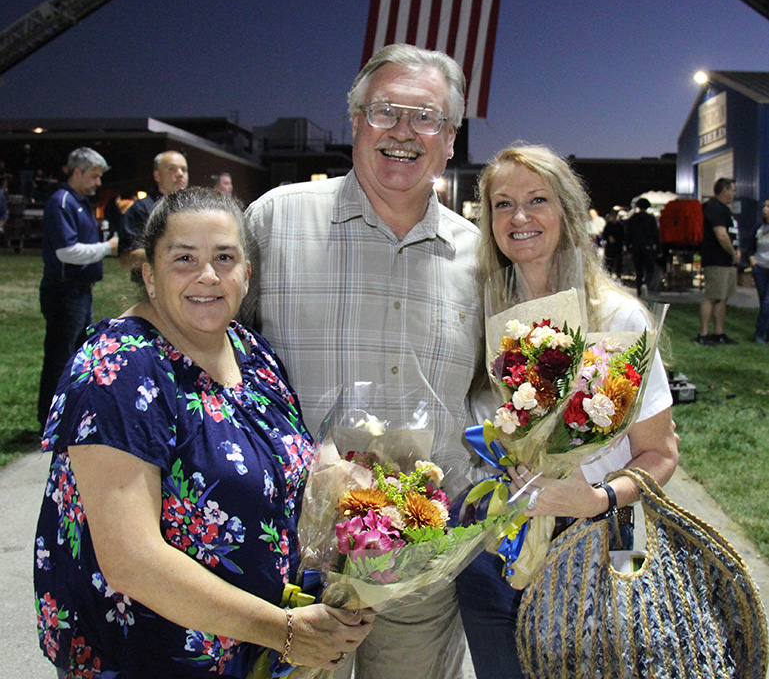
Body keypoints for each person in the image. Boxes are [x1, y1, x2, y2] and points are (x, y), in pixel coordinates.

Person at [34, 187, 374, 679]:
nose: (208, 275)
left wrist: (363, 499)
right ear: (149, 275)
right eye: (184, 258)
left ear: (247, 274)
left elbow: (295, 457)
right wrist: (283, 631)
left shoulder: (252, 353)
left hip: (253, 650)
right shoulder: (119, 368)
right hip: (152, 660)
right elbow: (131, 560)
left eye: (224, 257)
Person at [240, 43, 485, 679]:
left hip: (423, 564)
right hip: (293, 552)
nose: (404, 132)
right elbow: (213, 356)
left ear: (450, 138)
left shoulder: (480, 256)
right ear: (354, 121)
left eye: (426, 117)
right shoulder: (274, 221)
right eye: (385, 111)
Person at [456, 144, 679, 679]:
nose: (520, 217)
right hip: (498, 559)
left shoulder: (616, 319)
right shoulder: (486, 317)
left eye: (538, 200)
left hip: (604, 549)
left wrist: (596, 499)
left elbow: (660, 455)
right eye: (503, 204)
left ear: (568, 213)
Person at [37, 147, 118, 434]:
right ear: (76, 172)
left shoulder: (78, 202)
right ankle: (49, 420)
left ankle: (68, 414)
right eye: (94, 176)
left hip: (80, 292)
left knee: (76, 357)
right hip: (64, 292)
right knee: (60, 357)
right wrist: (106, 248)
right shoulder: (62, 202)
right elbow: (66, 251)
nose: (98, 183)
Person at [119, 150, 188, 271]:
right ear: (157, 176)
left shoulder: (194, 208)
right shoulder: (142, 208)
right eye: (172, 169)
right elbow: (127, 258)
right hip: (152, 286)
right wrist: (174, 255)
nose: (180, 174)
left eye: (184, 169)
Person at [697, 177, 740, 345]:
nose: (734, 194)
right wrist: (732, 252)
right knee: (712, 296)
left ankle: (719, 333)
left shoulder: (724, 210)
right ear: (724, 191)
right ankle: (703, 334)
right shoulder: (714, 208)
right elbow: (721, 234)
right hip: (716, 259)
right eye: (732, 190)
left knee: (723, 297)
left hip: (726, 261)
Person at [624, 197, 659, 298]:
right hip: (647, 247)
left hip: (635, 248)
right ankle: (646, 284)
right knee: (650, 269)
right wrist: (658, 249)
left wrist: (628, 249)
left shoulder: (633, 219)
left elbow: (627, 235)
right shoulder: (651, 219)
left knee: (638, 271)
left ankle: (640, 290)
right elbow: (655, 234)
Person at [749, 198, 769, 344]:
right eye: (765, 206)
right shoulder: (759, 228)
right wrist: (753, 263)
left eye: (768, 207)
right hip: (760, 268)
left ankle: (759, 333)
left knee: (768, 302)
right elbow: (751, 247)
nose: (765, 209)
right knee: (764, 302)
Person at [601, 208, 625, 278]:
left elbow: (623, 235)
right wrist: (608, 238)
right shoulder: (608, 225)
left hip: (618, 246)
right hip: (610, 246)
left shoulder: (620, 225)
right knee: (609, 262)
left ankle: (618, 276)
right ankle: (609, 275)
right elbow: (604, 235)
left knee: (619, 263)